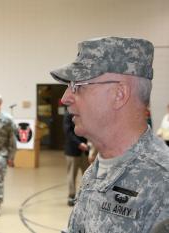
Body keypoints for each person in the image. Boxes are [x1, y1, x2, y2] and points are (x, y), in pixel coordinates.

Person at [50, 36, 169, 233]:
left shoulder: (162, 183)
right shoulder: (99, 167)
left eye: (77, 86)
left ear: (119, 94)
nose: (65, 98)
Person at [62, 110, 89, 206]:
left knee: (87, 174)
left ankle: (86, 195)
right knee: (72, 174)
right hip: (72, 150)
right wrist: (79, 144)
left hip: (86, 150)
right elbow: (68, 132)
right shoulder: (68, 114)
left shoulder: (85, 112)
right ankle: (71, 196)